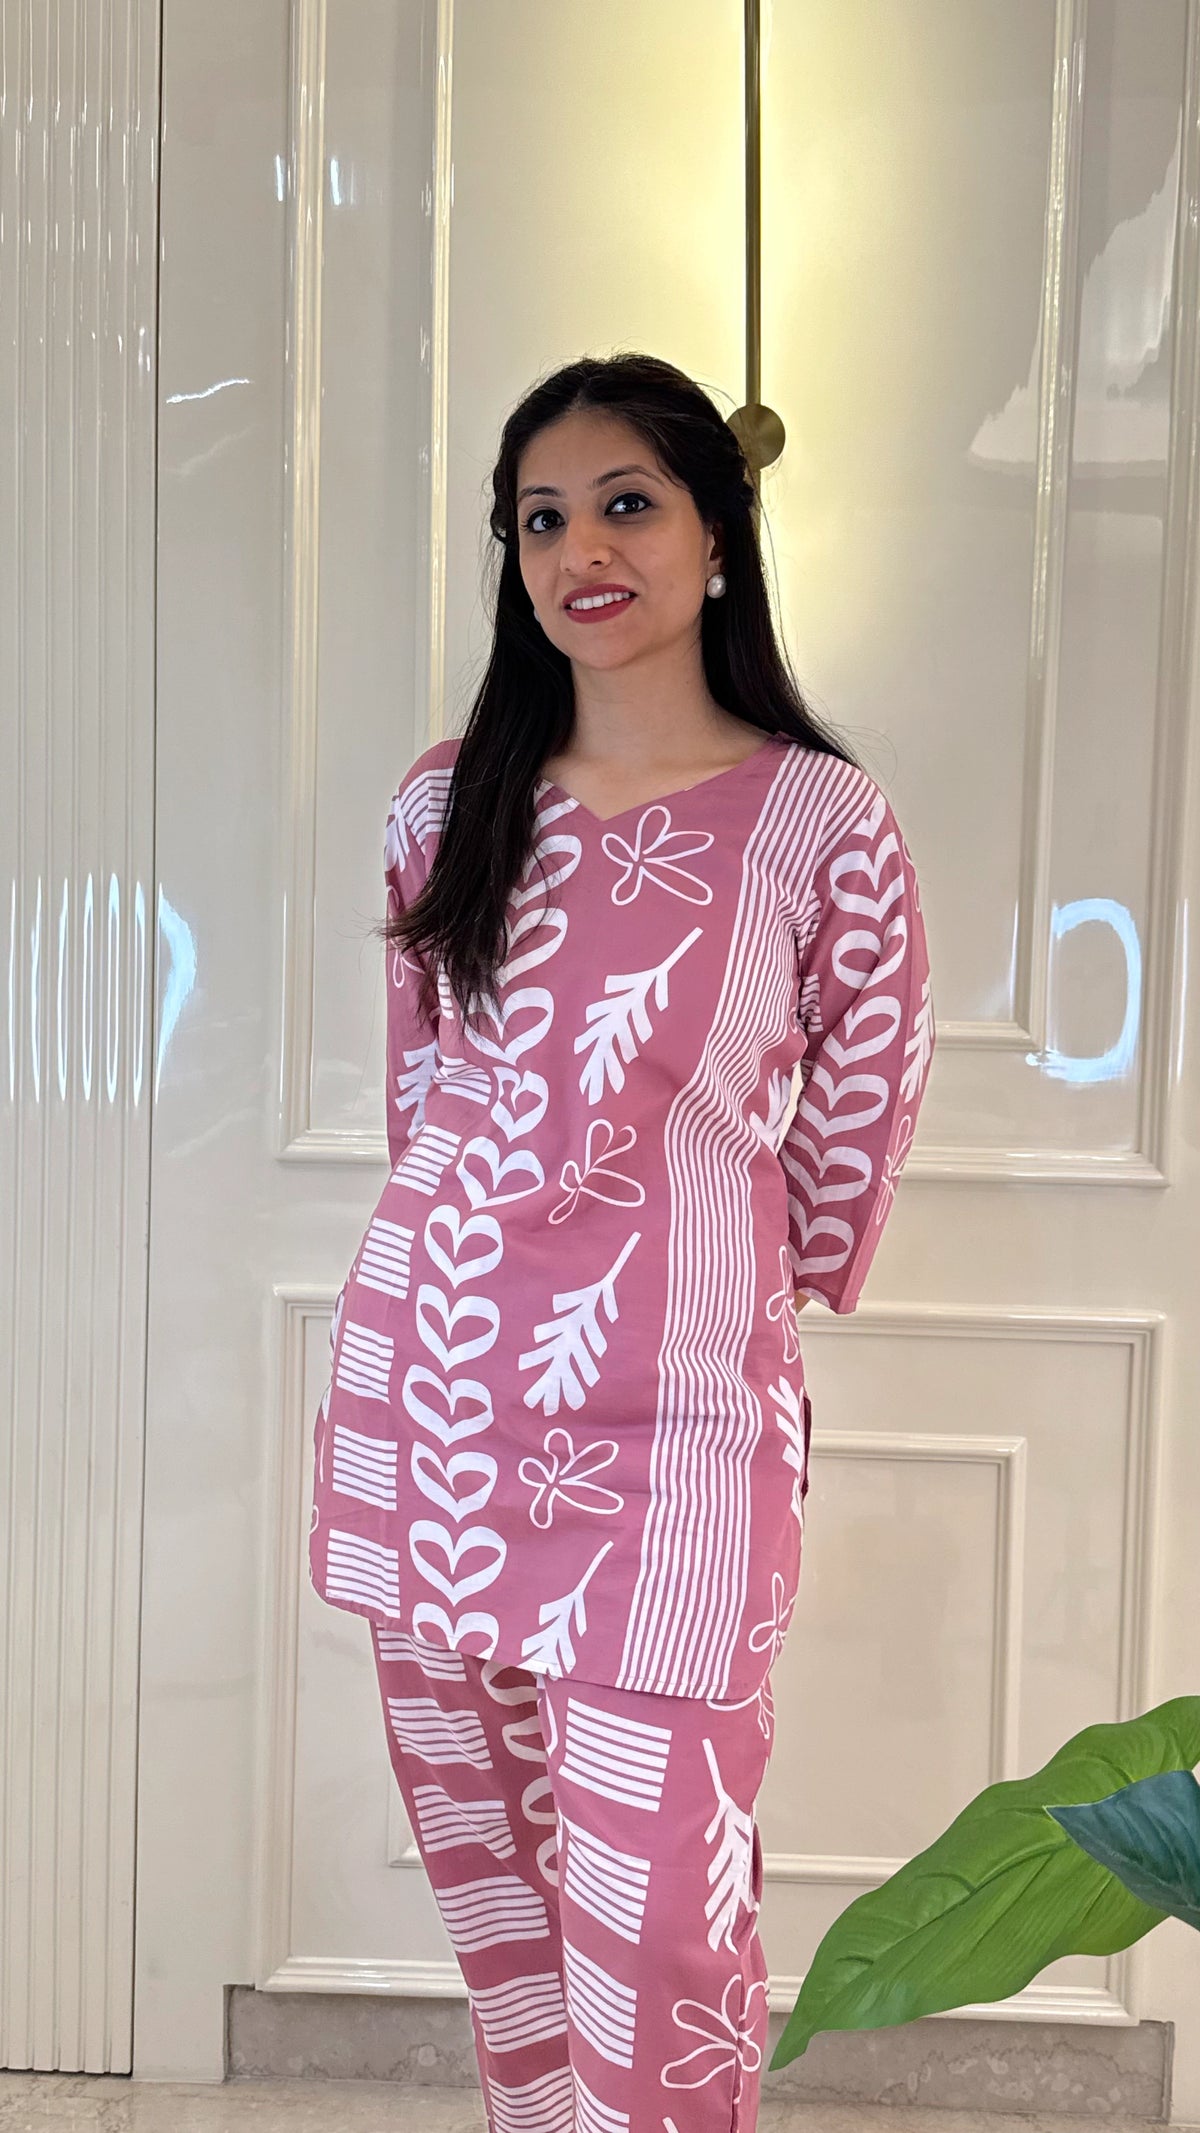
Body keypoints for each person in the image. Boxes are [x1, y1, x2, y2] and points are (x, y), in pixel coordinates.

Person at [309, 352, 936, 2132]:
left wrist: (718, 1279)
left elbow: (862, 1114)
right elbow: (426, 1101)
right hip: (435, 1407)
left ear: (719, 536)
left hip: (678, 1434)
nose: (580, 549)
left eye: (628, 504)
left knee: (663, 1922)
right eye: (541, 519)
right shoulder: (449, 802)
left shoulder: (823, 822)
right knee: (503, 1905)